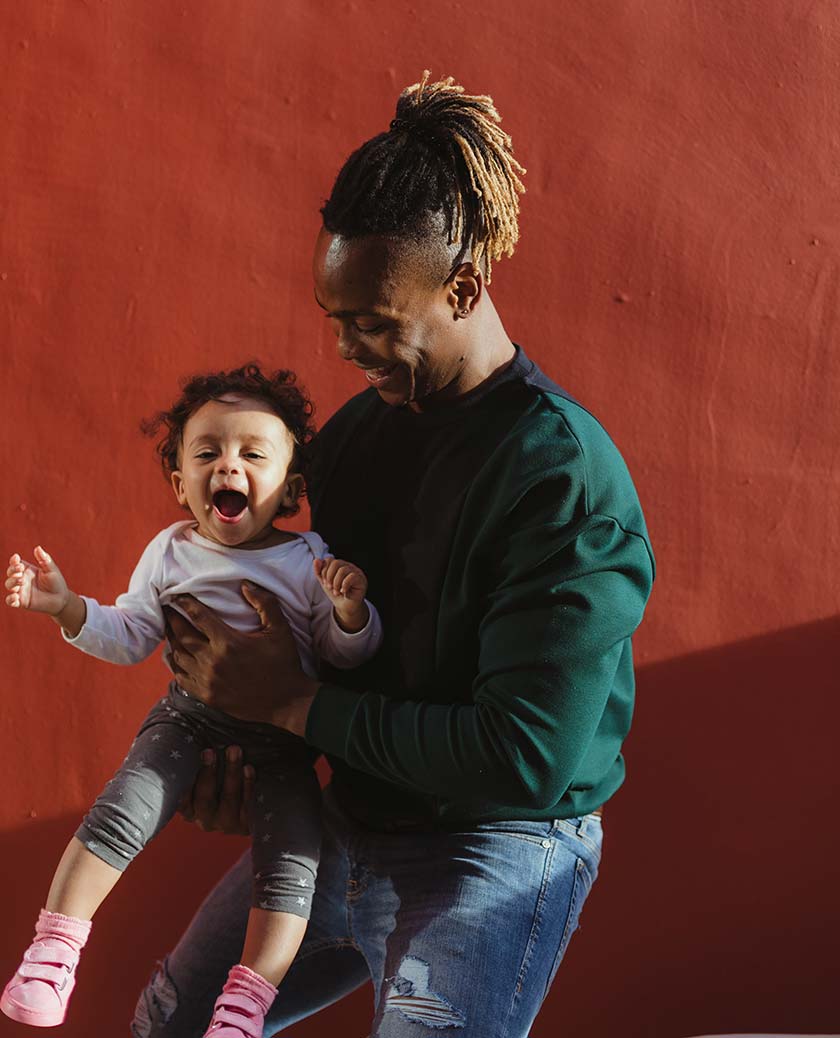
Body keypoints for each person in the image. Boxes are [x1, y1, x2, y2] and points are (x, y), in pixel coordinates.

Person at [131, 71, 655, 1038]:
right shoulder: (357, 438)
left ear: (462, 284)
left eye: (372, 321)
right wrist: (238, 754)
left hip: (496, 845)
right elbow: (307, 637)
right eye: (333, 318)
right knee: (170, 1022)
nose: (343, 347)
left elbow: (524, 758)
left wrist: (289, 705)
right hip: (350, 820)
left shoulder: (562, 480)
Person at [1, 365, 383, 1034]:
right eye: (206, 453)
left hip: (285, 742)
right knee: (125, 807)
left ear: (291, 486)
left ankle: (245, 1005)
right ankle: (53, 950)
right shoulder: (172, 552)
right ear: (181, 483)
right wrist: (65, 607)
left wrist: (351, 613)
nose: (226, 466)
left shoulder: (307, 562)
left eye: (251, 454)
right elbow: (130, 636)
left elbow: (342, 656)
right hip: (187, 718)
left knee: (293, 867)